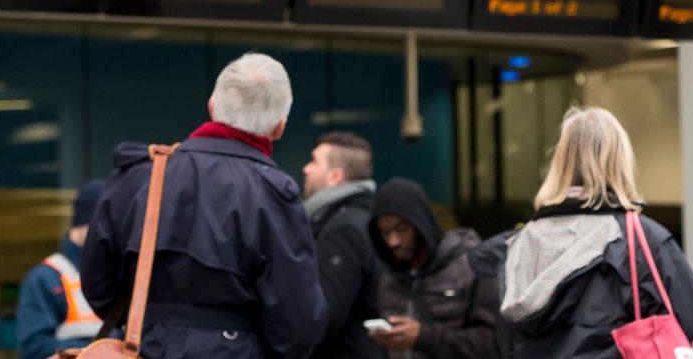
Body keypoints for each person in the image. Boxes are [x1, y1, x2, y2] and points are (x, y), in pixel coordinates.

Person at [81, 53, 327, 359]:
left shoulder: (141, 173)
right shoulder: (273, 193)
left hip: (146, 345)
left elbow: (96, 282)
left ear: (212, 105)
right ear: (279, 127)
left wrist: (151, 323)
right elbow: (299, 321)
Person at [469, 107, 693, 358]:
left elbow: (504, 339)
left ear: (559, 164)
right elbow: (692, 319)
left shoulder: (518, 244)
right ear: (621, 161)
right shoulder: (643, 240)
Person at [367, 178, 500, 359]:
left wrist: (425, 338)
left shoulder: (473, 266)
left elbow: (493, 343)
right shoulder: (390, 279)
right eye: (386, 232)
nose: (393, 242)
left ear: (420, 224)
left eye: (402, 229)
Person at [303, 132, 384, 359]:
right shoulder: (365, 217)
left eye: (314, 161)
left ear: (336, 177)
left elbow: (324, 314)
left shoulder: (343, 228)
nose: (306, 169)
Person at [18, 179, 107, 359]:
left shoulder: (117, 276)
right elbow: (33, 347)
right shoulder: (45, 279)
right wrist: (100, 351)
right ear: (84, 224)